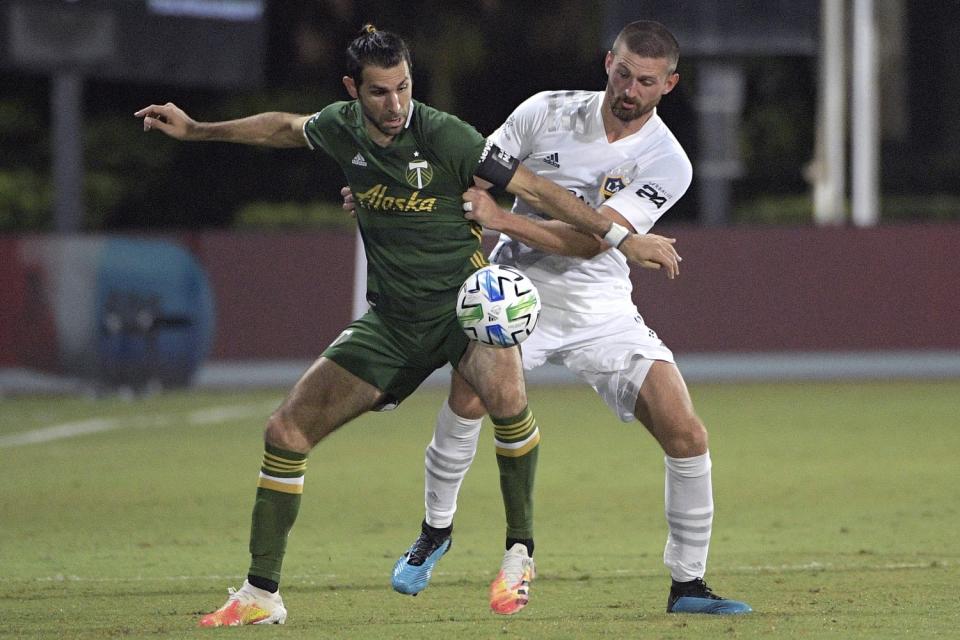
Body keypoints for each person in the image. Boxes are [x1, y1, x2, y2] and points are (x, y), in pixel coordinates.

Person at [135, 25, 680, 627]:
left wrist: (619, 238)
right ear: (353, 90)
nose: (395, 105)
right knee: (285, 431)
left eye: (404, 88)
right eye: (379, 92)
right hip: (393, 322)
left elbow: (536, 189)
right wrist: (197, 130)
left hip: (465, 309)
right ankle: (262, 594)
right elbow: (284, 127)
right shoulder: (341, 128)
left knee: (505, 400)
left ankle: (519, 553)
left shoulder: (448, 135)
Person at [387, 20, 752, 616]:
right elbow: (475, 172)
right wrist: (404, 190)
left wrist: (502, 219)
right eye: (624, 73)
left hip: (601, 307)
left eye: (647, 82)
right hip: (514, 291)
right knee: (467, 396)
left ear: (670, 85)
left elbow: (592, 242)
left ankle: (688, 586)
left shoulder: (669, 163)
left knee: (687, 433)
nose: (630, 90)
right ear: (608, 63)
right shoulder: (544, 111)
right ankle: (435, 530)